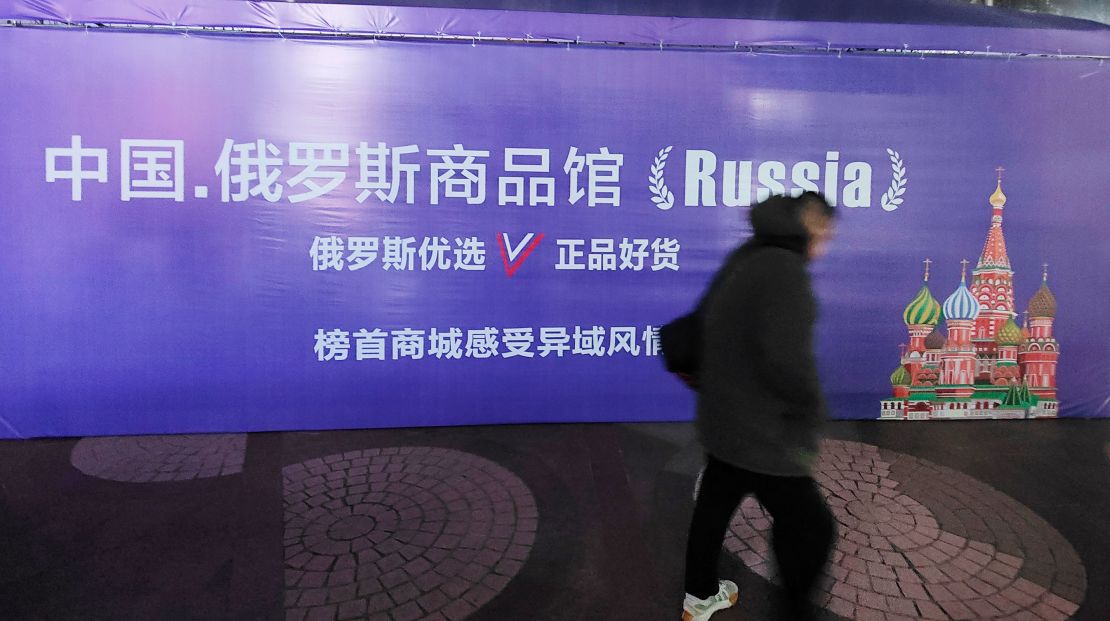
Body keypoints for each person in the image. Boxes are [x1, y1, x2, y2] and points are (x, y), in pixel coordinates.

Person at [680, 192, 837, 621]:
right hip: (762, 432)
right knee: (812, 526)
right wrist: (811, 409)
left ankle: (699, 596)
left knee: (714, 504)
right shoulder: (786, 272)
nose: (826, 241)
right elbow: (789, 362)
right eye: (824, 230)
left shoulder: (750, 254)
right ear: (810, 225)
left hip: (724, 417)